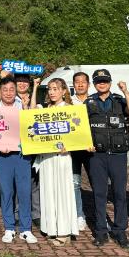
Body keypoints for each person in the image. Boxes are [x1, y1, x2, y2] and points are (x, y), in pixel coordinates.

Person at [85, 69, 129, 248]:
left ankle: (120, 231)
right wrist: (85, 143)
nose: (102, 83)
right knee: (99, 194)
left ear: (110, 82)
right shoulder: (88, 103)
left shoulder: (119, 100)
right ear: (94, 84)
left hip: (118, 155)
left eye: (105, 81)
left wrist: (125, 91)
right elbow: (80, 127)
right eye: (99, 81)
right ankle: (101, 231)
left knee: (119, 193)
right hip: (97, 155)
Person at [30, 77, 78, 245]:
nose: (51, 92)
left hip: (62, 157)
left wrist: (70, 146)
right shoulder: (45, 109)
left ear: (64, 91)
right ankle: (51, 228)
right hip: (46, 157)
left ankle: (64, 232)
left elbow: (77, 132)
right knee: (48, 193)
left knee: (62, 193)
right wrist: (35, 87)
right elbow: (31, 113)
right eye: (50, 89)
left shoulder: (69, 109)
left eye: (55, 89)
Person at [0, 77, 38, 244]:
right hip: (3, 157)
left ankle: (26, 229)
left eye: (11, 89)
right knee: (6, 192)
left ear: (16, 90)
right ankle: (9, 228)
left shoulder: (22, 106)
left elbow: (32, 127)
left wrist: (26, 107)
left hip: (22, 155)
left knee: (24, 192)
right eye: (5, 90)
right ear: (0, 91)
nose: (8, 93)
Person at [70, 72, 93, 231]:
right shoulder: (68, 102)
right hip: (73, 149)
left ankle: (100, 217)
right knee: (75, 183)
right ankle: (79, 215)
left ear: (88, 84)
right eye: (77, 82)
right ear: (73, 85)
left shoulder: (95, 100)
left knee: (97, 184)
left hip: (92, 149)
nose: (80, 84)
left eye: (83, 82)